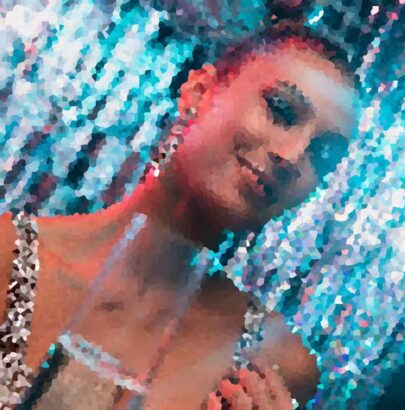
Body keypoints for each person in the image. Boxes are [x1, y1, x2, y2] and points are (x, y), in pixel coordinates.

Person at [0, 19, 358, 409]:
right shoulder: (9, 255)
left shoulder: (275, 362)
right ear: (199, 92)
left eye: (323, 154)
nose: (292, 156)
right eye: (281, 110)